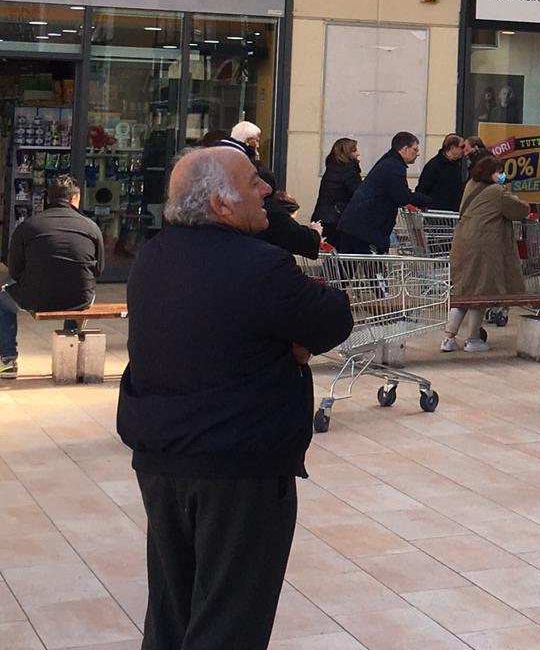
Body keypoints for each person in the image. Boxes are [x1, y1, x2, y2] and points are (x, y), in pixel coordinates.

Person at [117, 147, 353, 650]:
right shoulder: (260, 267)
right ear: (221, 205)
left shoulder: (153, 258)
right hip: (240, 469)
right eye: (252, 183)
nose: (266, 189)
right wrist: (291, 339)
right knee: (229, 621)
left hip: (162, 461)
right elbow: (333, 316)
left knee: (172, 611)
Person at [0, 175, 103, 379]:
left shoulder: (28, 226)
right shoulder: (91, 227)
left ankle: (8, 360)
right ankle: (70, 344)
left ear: (49, 198)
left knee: (2, 301)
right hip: (80, 297)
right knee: (78, 289)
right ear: (75, 199)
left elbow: (14, 270)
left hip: (35, 297)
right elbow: (98, 269)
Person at [441, 154, 532, 352]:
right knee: (480, 292)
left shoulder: (471, 185)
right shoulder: (497, 191)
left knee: (464, 292)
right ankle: (473, 339)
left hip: (463, 242)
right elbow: (519, 209)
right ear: (489, 173)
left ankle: (448, 338)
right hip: (483, 246)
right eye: (498, 171)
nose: (501, 175)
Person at [217, 133, 321, 260]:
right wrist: (315, 234)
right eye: (254, 183)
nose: (266, 189)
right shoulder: (266, 211)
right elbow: (293, 235)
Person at [336, 131, 431, 254]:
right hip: (365, 229)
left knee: (353, 262)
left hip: (357, 226)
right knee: (369, 263)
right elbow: (401, 196)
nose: (417, 154)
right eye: (415, 149)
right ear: (405, 149)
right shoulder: (394, 166)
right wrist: (428, 200)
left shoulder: (389, 161)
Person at [311, 137, 362, 244]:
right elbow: (358, 194)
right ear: (347, 152)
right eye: (354, 150)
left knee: (328, 250)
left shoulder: (331, 168)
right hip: (337, 218)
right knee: (341, 250)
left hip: (322, 216)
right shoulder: (349, 170)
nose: (358, 153)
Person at [417, 134, 468, 212]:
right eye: (462, 147)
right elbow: (423, 188)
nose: (464, 150)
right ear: (452, 148)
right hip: (436, 211)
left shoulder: (457, 165)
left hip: (454, 211)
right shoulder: (434, 165)